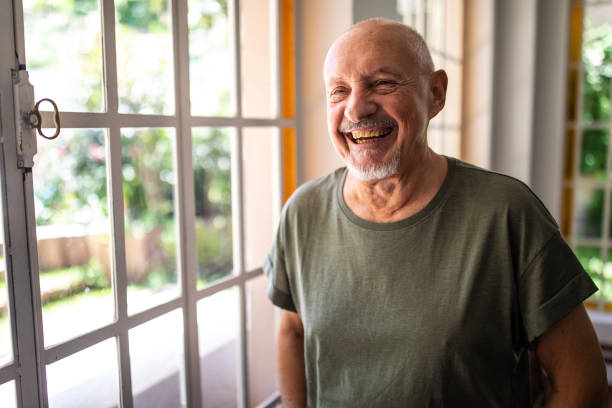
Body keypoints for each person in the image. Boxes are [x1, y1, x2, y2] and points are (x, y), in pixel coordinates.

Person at [263, 18, 607, 407]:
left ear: (436, 93)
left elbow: (584, 384)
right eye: (338, 91)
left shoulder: (507, 212)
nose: (356, 108)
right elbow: (292, 330)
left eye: (382, 83)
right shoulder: (302, 213)